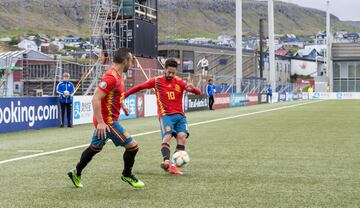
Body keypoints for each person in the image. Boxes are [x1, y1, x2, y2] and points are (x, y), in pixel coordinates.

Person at [67, 49, 145, 189]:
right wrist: (102, 123)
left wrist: (123, 106)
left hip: (105, 120)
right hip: (108, 122)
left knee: (95, 148)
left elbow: (113, 96)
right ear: (125, 61)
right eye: (131, 61)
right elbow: (96, 98)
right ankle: (127, 174)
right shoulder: (111, 77)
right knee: (133, 147)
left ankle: (76, 172)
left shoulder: (117, 76)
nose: (131, 65)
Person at [125, 58, 201, 175]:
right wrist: (124, 95)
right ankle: (166, 160)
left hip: (180, 116)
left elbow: (198, 92)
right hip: (166, 115)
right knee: (167, 136)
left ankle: (172, 166)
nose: (171, 74)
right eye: (169, 72)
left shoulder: (179, 82)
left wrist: (194, 89)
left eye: (173, 73)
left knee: (182, 137)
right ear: (164, 69)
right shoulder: (156, 81)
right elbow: (139, 87)